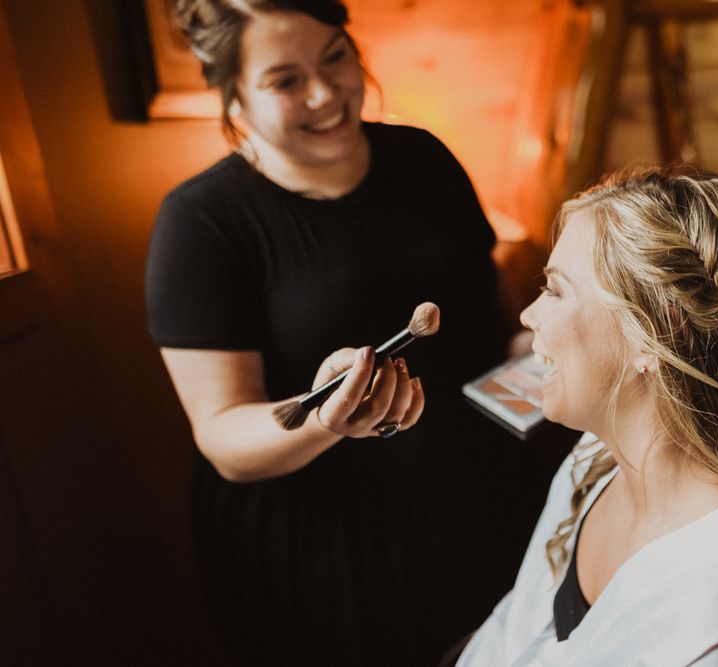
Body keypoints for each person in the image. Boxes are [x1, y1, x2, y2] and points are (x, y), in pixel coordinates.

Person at [144, 1, 571, 664]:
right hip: (325, 555)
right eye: (285, 80)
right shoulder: (202, 223)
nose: (325, 92)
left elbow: (493, 336)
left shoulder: (425, 159)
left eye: (335, 56)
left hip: (479, 504)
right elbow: (224, 436)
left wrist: (567, 347)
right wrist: (325, 420)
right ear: (233, 93)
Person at [458, 168, 718, 666]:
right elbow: (510, 636)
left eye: (555, 290)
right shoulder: (594, 461)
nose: (528, 315)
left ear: (655, 333)